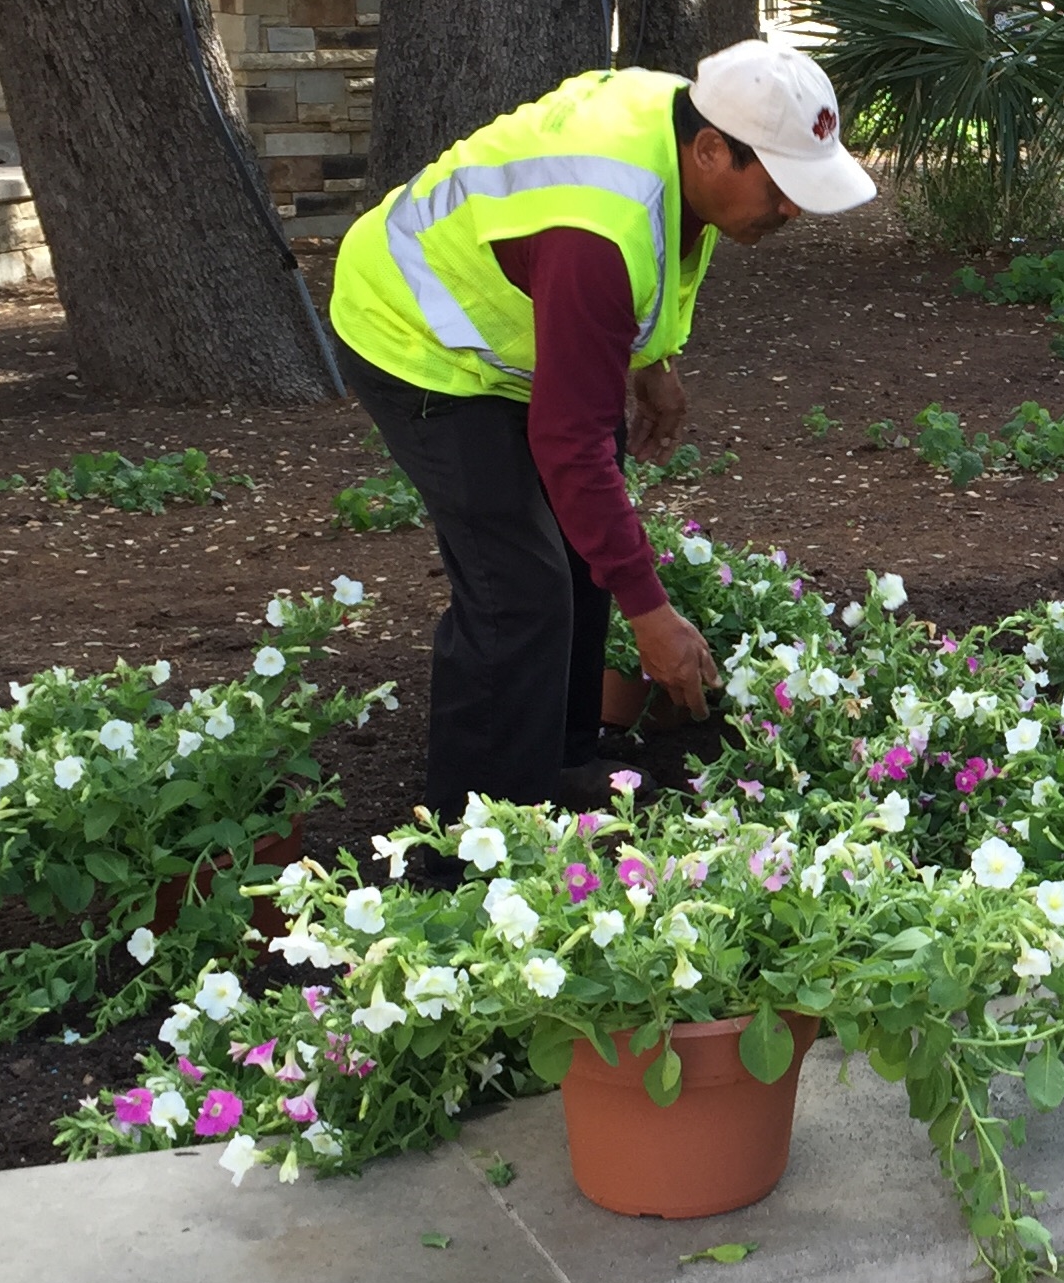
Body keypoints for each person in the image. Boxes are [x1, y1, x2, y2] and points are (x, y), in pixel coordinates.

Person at [329, 41, 874, 819]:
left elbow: (659, 254)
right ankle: (467, 840)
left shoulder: (683, 132)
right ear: (713, 150)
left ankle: (559, 760)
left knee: (582, 557)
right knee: (518, 590)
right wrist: (652, 618)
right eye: (783, 186)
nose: (792, 209)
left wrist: (652, 364)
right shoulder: (596, 231)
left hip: (513, 332)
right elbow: (572, 444)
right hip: (417, 336)